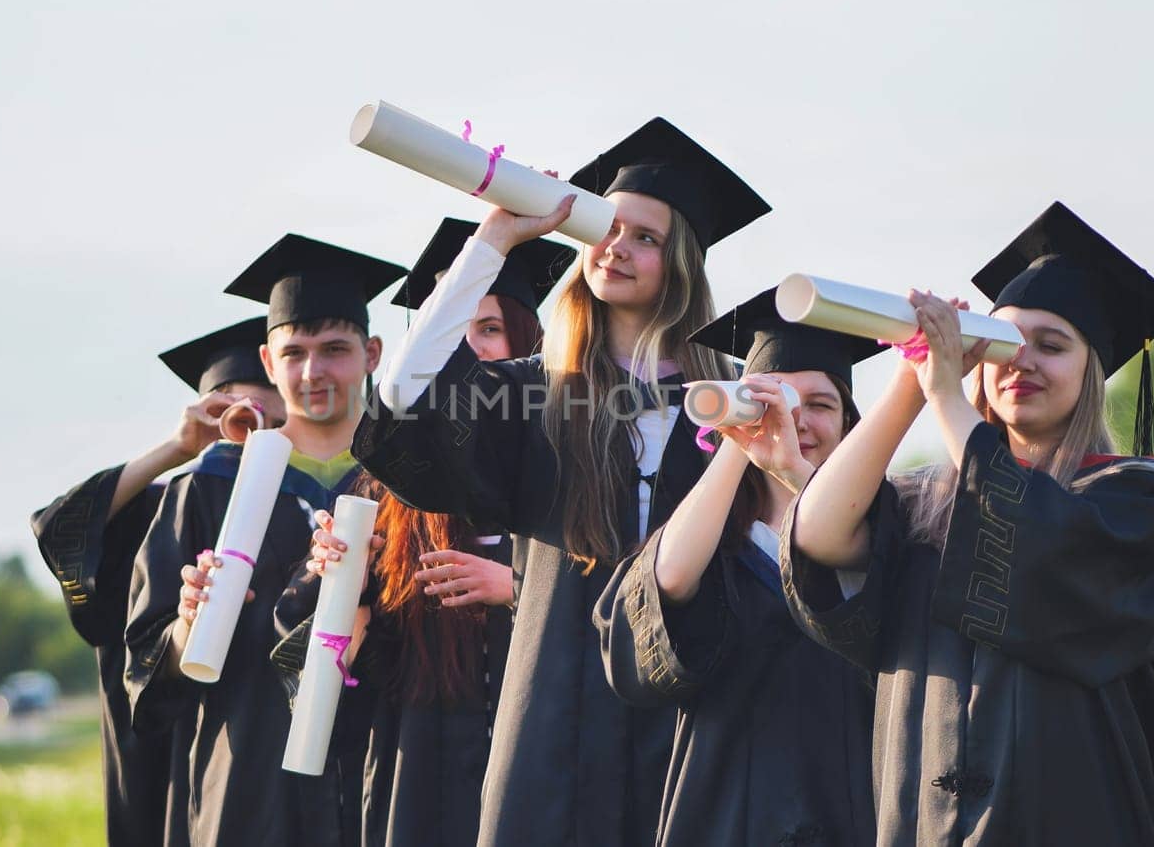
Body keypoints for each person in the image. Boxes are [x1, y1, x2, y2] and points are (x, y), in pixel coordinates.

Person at [355, 118, 770, 846]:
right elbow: (401, 394)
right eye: (609, 228)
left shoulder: (734, 399)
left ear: (681, 262)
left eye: (647, 236)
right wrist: (493, 242)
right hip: (553, 711)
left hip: (695, 708)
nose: (619, 247)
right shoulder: (534, 396)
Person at [780, 202, 1154, 845]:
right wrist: (911, 385)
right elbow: (817, 536)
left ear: (1091, 371)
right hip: (923, 818)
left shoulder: (1136, 500)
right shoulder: (924, 499)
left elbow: (1037, 538)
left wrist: (949, 397)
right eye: (1004, 344)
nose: (1022, 361)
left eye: (1052, 347)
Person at [279, 218, 574, 847]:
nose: (466, 351)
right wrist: (341, 586)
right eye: (452, 332)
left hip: (543, 768)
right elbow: (324, 677)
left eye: (489, 330)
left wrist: (522, 586)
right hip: (415, 785)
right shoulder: (377, 489)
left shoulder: (574, 475)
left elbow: (623, 614)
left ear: (531, 341)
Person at [124, 235, 404, 847]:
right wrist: (187, 627)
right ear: (267, 361)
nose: (313, 372)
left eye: (335, 349)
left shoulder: (413, 486)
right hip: (249, 776)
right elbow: (145, 670)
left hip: (387, 774)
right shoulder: (207, 489)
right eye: (294, 353)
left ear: (372, 353)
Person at [594, 289, 880, 845]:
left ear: (850, 424)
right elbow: (665, 585)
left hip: (854, 809)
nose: (793, 419)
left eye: (819, 404)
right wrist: (739, 438)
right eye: (775, 400)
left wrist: (806, 483)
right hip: (725, 813)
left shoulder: (887, 540)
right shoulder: (712, 544)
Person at [30, 316, 279, 846]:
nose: (249, 432)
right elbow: (60, 530)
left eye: (270, 417)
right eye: (232, 412)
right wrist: (178, 447)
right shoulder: (164, 504)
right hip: (167, 756)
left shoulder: (311, 507)